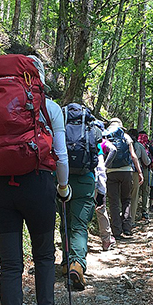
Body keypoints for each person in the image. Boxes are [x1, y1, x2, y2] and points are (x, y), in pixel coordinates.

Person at [0, 53, 70, 305]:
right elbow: (60, 156)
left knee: (10, 265)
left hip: (0, 186)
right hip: (38, 184)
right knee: (45, 256)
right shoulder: (49, 107)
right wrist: (63, 188)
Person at [60, 103, 100, 290]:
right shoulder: (92, 128)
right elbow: (97, 158)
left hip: (60, 180)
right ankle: (77, 264)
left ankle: (65, 262)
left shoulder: (59, 126)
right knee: (79, 226)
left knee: (65, 221)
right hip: (85, 181)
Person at [104, 117, 142, 239]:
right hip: (126, 171)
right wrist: (139, 171)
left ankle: (116, 231)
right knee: (126, 199)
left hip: (110, 171)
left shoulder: (105, 135)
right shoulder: (126, 136)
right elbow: (133, 155)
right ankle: (127, 228)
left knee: (114, 202)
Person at [95, 130, 116, 250]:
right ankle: (106, 240)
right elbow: (113, 149)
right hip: (96, 181)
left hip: (75, 180)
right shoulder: (101, 143)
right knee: (101, 210)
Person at [134, 130, 153, 220]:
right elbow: (151, 161)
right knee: (145, 191)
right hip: (145, 170)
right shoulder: (148, 146)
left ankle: (133, 211)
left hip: (133, 170)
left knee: (135, 192)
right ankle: (144, 211)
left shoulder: (133, 144)